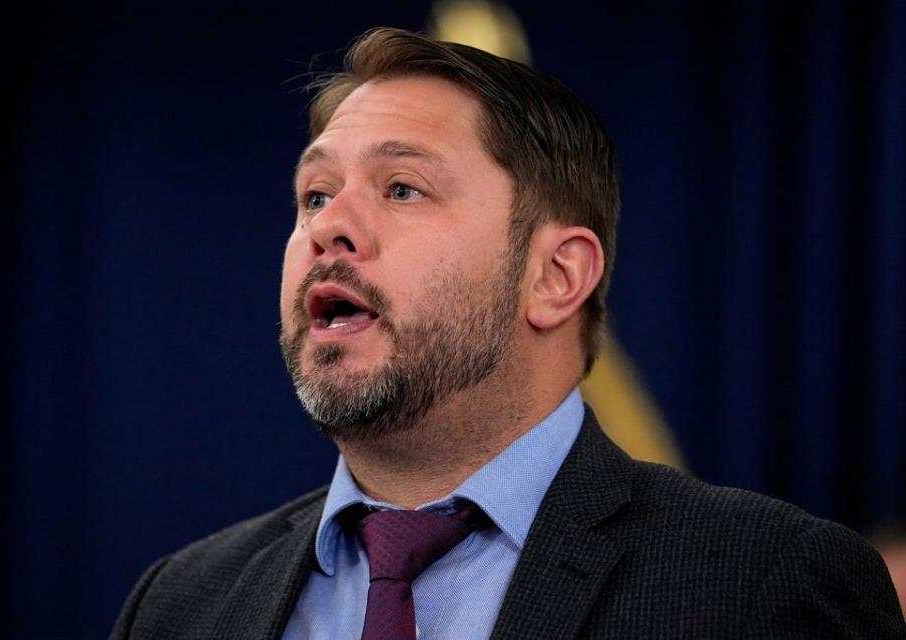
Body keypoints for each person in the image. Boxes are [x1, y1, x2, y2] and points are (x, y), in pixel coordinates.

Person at [110, 27, 906, 639]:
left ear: (556, 277)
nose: (330, 229)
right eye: (315, 195)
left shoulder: (762, 584)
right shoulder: (182, 602)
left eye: (401, 187)